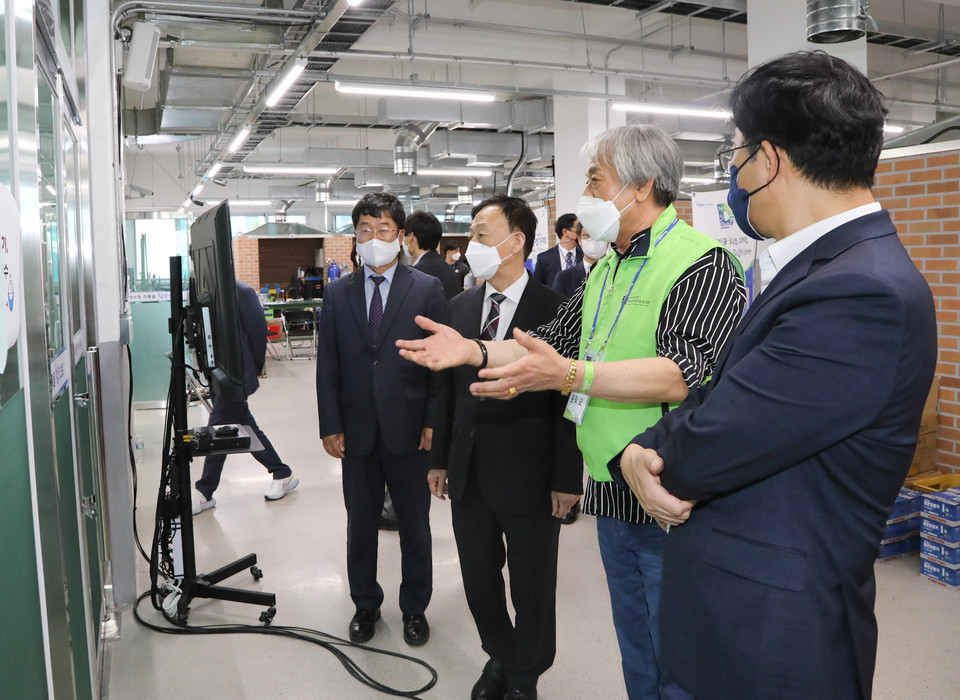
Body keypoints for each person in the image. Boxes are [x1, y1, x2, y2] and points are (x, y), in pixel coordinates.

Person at [611, 51, 938, 700]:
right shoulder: (822, 267)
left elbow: (710, 445)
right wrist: (642, 446)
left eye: (735, 154)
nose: (733, 171)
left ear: (770, 159)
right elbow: (720, 393)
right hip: (737, 624)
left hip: (770, 644)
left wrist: (645, 453)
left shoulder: (860, 291)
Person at [397, 124, 746, 699]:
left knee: (679, 656)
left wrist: (571, 375)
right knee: (637, 647)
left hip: (669, 490)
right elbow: (545, 342)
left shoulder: (700, 263)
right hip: (612, 487)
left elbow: (682, 373)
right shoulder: (607, 269)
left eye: (593, 180)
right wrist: (475, 350)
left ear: (641, 187)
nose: (582, 197)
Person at [429, 194, 582, 700]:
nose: (470, 244)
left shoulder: (556, 310)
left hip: (532, 473)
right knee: (478, 580)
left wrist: (566, 477)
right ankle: (500, 653)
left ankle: (524, 675)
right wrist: (439, 461)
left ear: (515, 241)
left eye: (479, 233)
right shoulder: (460, 305)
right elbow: (448, 390)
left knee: (532, 586)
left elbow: (569, 400)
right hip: (469, 469)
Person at [316, 192, 448, 646]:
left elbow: (439, 365)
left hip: (411, 428)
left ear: (401, 237)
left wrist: (434, 420)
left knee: (415, 526)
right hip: (356, 432)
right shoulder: (336, 293)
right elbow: (327, 365)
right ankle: (365, 605)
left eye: (384, 230)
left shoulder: (427, 289)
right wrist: (330, 424)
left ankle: (415, 609)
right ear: (355, 236)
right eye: (366, 230)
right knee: (361, 525)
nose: (375, 238)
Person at [192, 281, 298, 514]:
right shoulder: (208, 292)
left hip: (236, 375)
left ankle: (204, 491)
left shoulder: (242, 292)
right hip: (220, 373)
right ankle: (282, 473)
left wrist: (256, 367)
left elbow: (258, 332)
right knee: (244, 427)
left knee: (218, 428)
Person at [406, 211, 462, 300]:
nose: (404, 241)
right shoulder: (447, 268)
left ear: (412, 237)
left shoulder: (417, 274)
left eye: (406, 236)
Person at [551, 222, 608, 300]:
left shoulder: (618, 272)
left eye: (599, 236)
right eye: (587, 235)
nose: (594, 240)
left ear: (608, 240)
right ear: (579, 240)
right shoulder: (564, 278)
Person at [532, 213, 581, 288]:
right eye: (577, 228)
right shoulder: (544, 258)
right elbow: (537, 287)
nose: (580, 233)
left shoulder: (585, 254)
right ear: (565, 232)